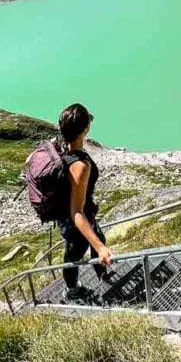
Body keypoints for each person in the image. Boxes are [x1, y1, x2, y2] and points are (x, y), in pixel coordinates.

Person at [57, 102, 114, 301]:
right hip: (76, 223)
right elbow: (76, 211)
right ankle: (72, 291)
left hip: (73, 217)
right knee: (73, 257)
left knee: (99, 237)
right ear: (86, 129)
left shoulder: (61, 150)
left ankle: (102, 274)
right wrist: (99, 248)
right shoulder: (80, 165)